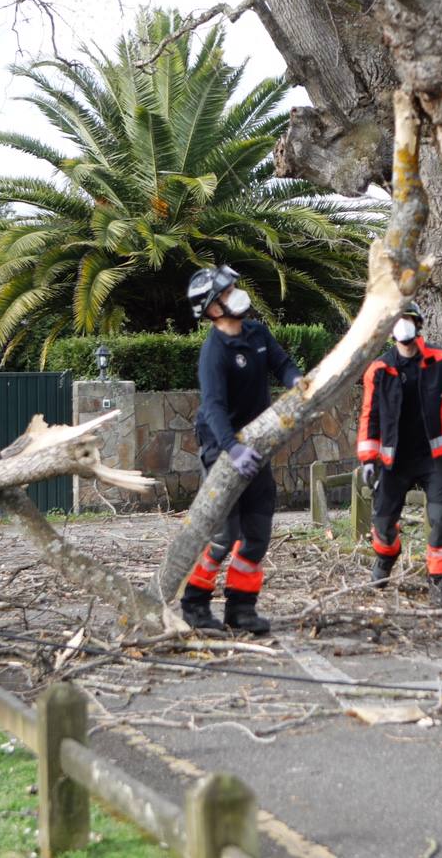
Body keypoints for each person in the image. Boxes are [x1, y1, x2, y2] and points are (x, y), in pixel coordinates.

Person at [180, 265, 303, 633]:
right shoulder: (214, 352)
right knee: (222, 536)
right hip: (224, 448)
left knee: (256, 532)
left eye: (235, 286)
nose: (236, 293)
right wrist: (231, 449)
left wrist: (297, 380)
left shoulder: (256, 332)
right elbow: (213, 407)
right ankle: (195, 604)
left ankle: (241, 608)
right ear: (212, 309)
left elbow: (281, 364)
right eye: (227, 291)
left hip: (257, 444)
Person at [357, 303, 442, 606]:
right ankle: (386, 557)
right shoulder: (379, 370)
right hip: (394, 461)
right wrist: (368, 459)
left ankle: (441, 584)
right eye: (396, 320)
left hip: (435, 457)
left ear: (418, 324)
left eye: (407, 320)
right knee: (382, 523)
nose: (402, 325)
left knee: (441, 519)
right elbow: (371, 415)